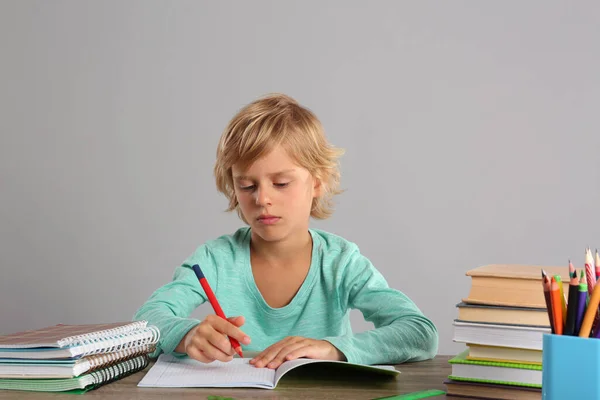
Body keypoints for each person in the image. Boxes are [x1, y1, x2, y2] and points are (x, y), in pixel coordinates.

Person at [133, 93, 438, 368]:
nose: (262, 198)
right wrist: (187, 335)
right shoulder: (215, 259)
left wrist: (333, 348)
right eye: (247, 185)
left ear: (317, 182)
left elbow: (419, 333)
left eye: (281, 183)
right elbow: (145, 322)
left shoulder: (340, 262)